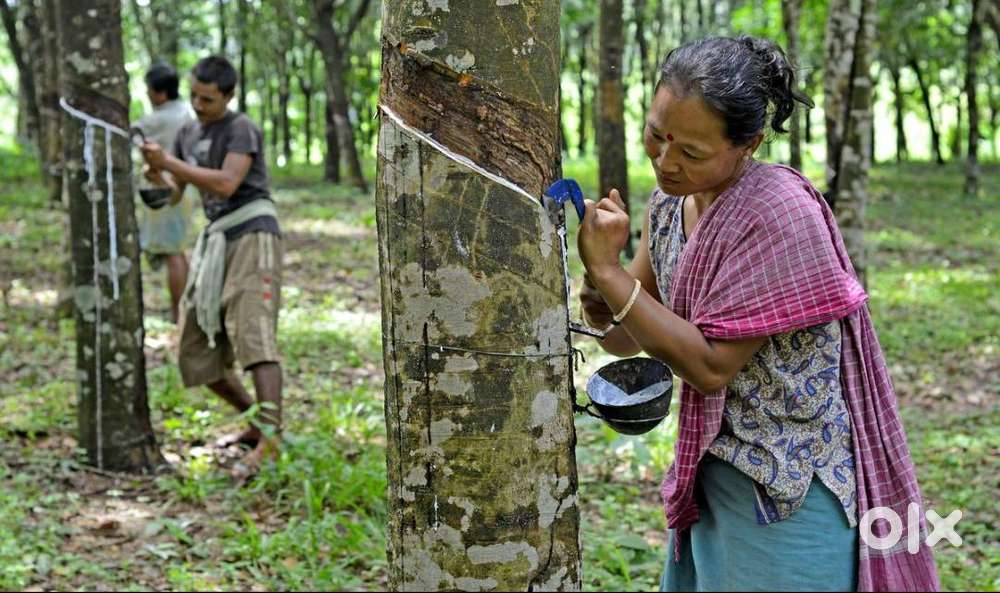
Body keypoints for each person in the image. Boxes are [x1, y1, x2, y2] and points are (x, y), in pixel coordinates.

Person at [577, 36, 939, 592]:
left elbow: (710, 365)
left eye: (691, 153)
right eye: (656, 135)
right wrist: (600, 295)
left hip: (788, 487)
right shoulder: (670, 204)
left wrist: (612, 275)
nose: (666, 161)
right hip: (716, 474)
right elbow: (629, 338)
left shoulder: (777, 213)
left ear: (750, 143)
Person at [140, 55, 284, 479]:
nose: (198, 105)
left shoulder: (241, 128)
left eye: (208, 99)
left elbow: (226, 182)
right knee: (195, 344)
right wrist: (154, 169)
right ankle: (257, 421)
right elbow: (173, 191)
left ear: (228, 95)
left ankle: (272, 442)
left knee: (252, 331)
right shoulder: (186, 131)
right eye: (194, 96)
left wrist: (170, 164)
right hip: (215, 236)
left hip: (252, 231)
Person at [135, 63, 194, 323]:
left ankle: (177, 312)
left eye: (149, 90)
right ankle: (182, 308)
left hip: (163, 186)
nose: (147, 94)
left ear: (160, 93)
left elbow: (131, 131)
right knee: (177, 249)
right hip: (184, 185)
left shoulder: (160, 118)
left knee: (173, 252)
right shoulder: (188, 112)